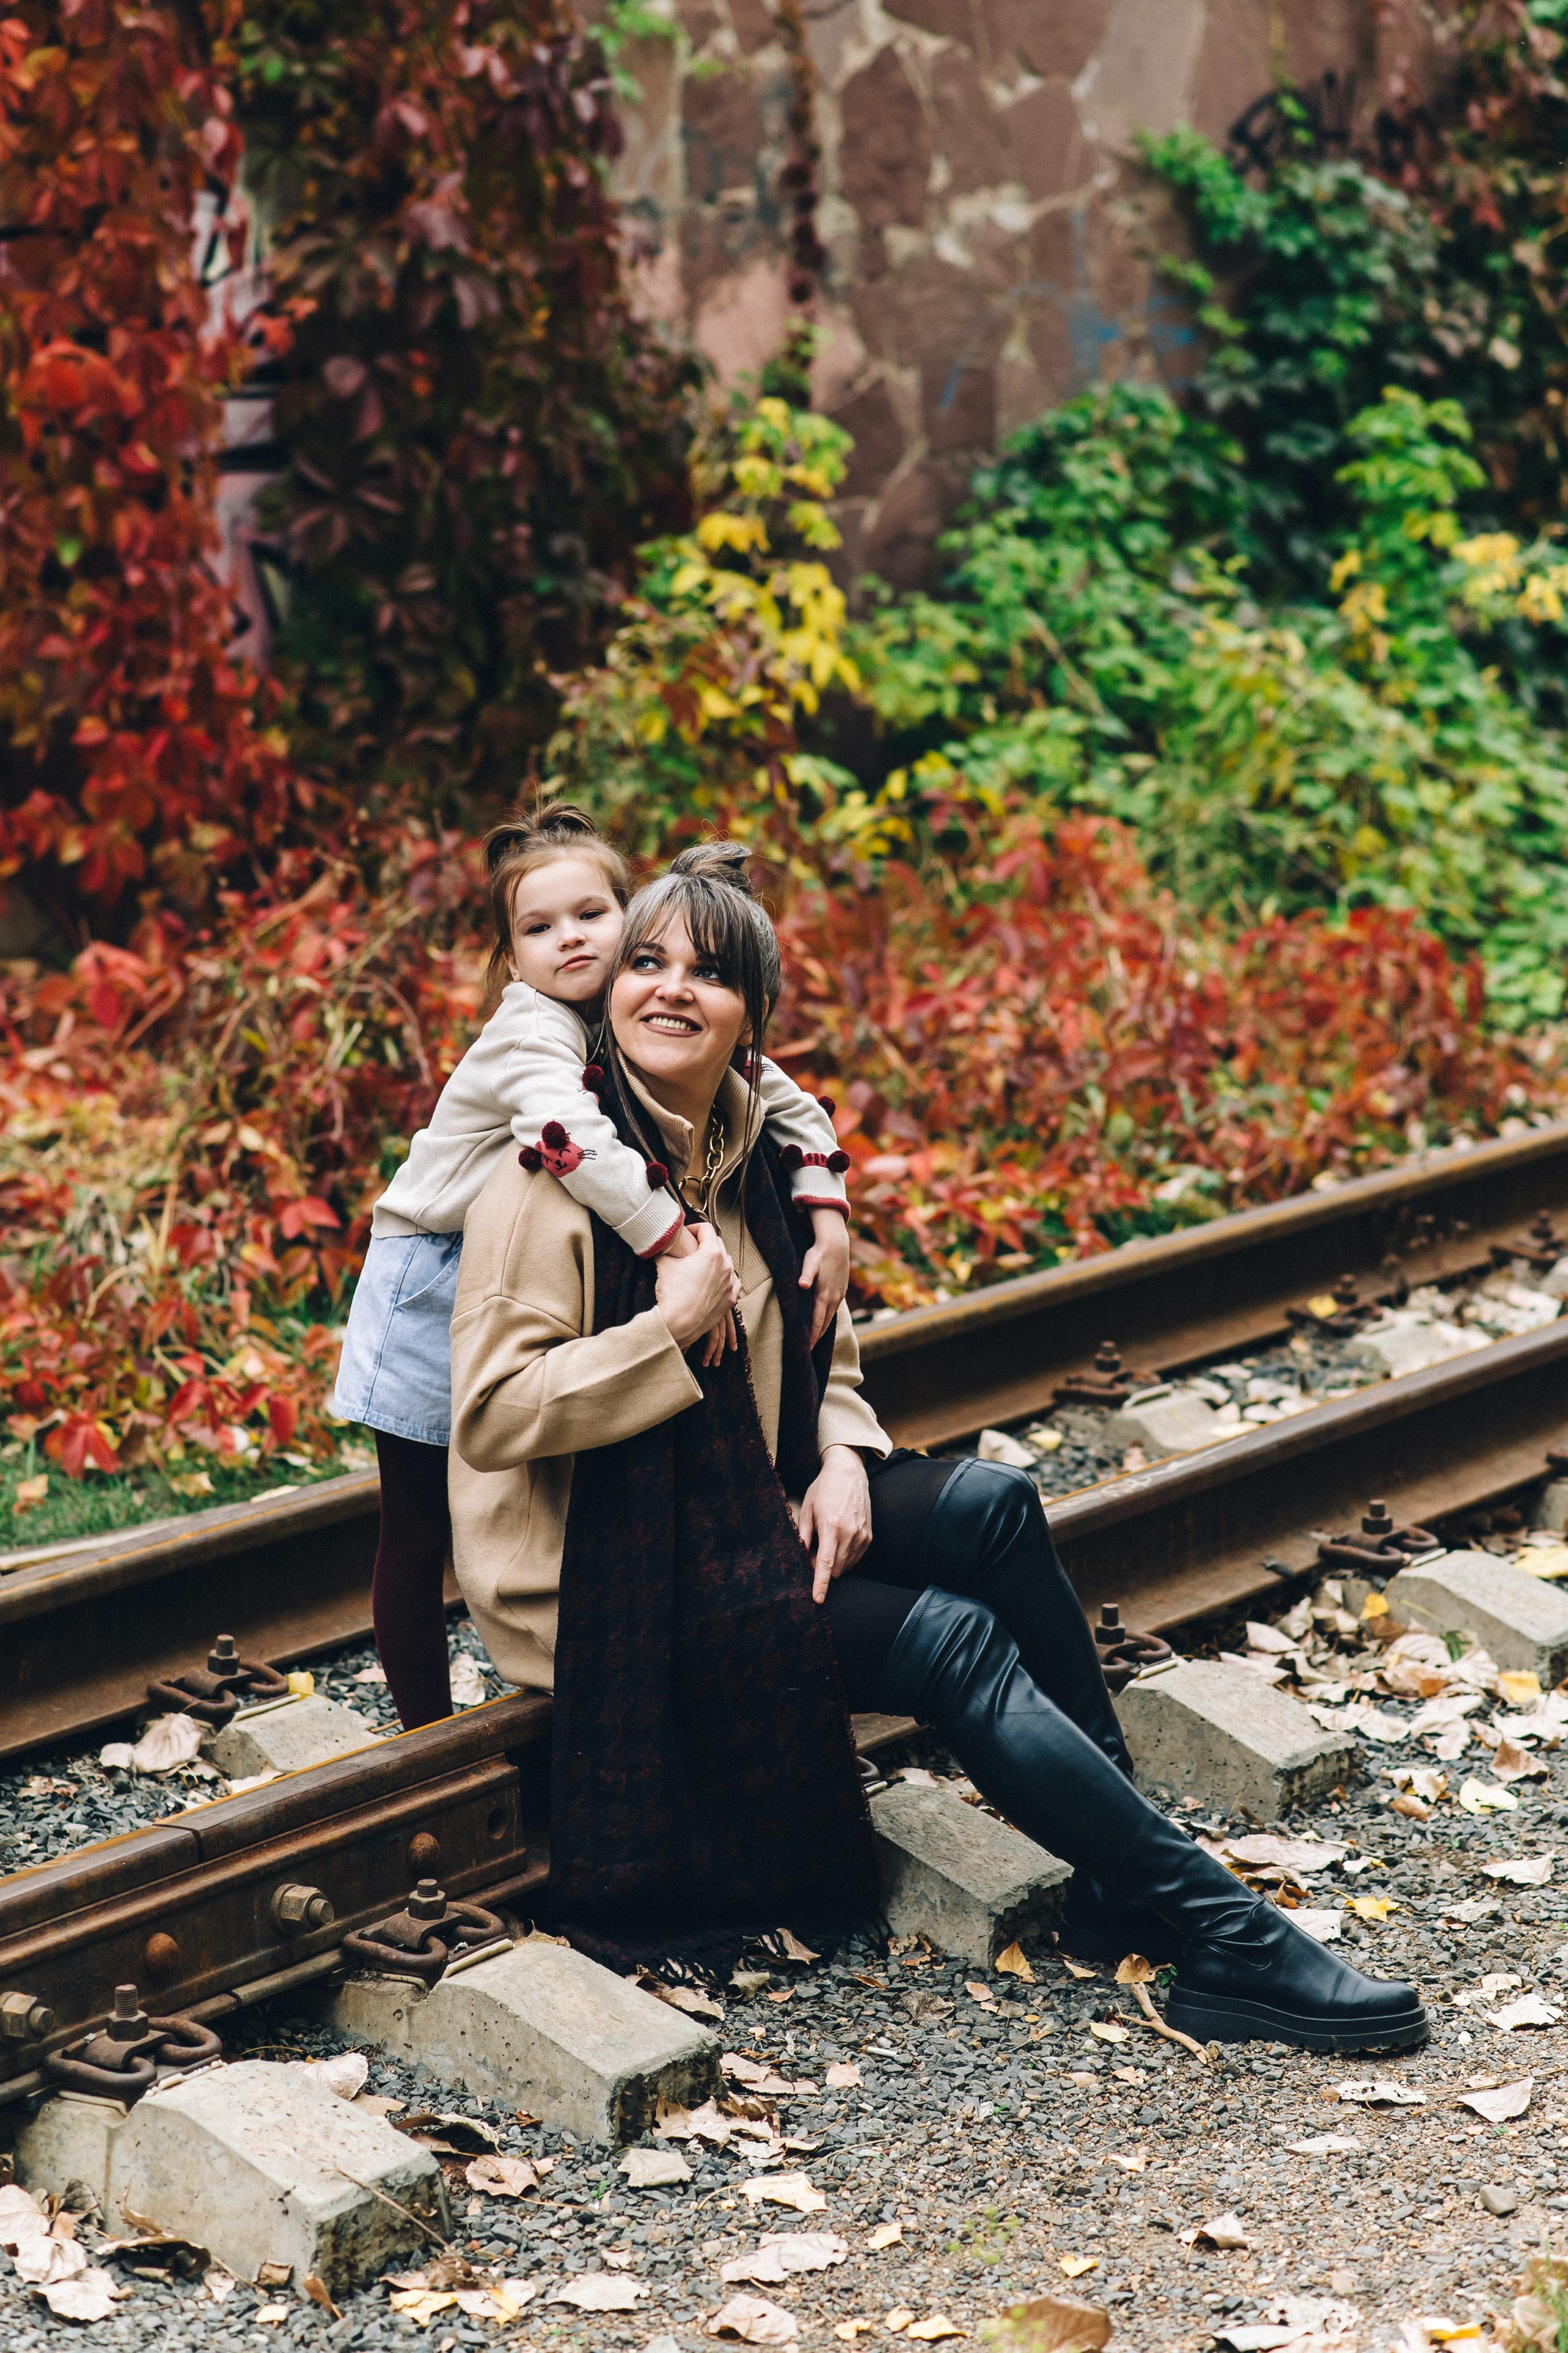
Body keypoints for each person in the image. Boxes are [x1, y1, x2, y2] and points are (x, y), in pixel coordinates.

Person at [447, 841, 1427, 2052]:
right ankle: (1225, 1934)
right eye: (645, 962)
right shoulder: (547, 1182)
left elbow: (825, 1358)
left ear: (751, 1014)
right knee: (951, 1640)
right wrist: (667, 1332)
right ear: (609, 990)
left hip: (746, 1507)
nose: (670, 989)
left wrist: (843, 1457)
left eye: (709, 973)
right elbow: (492, 1414)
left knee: (992, 1506)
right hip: (605, 1579)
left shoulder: (751, 1153)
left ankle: (1124, 1883)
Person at [331, 807, 852, 1731]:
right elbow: (565, 1138)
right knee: (417, 1526)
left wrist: (825, 1198)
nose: (569, 938)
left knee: (516, 1484)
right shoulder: (531, 1030)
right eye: (538, 927)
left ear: (629, 917)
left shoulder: (634, 997)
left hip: (518, 1263)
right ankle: (422, 1736)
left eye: (591, 915)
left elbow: (774, 1088)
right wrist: (678, 1241)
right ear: (511, 960)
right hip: (430, 1272)